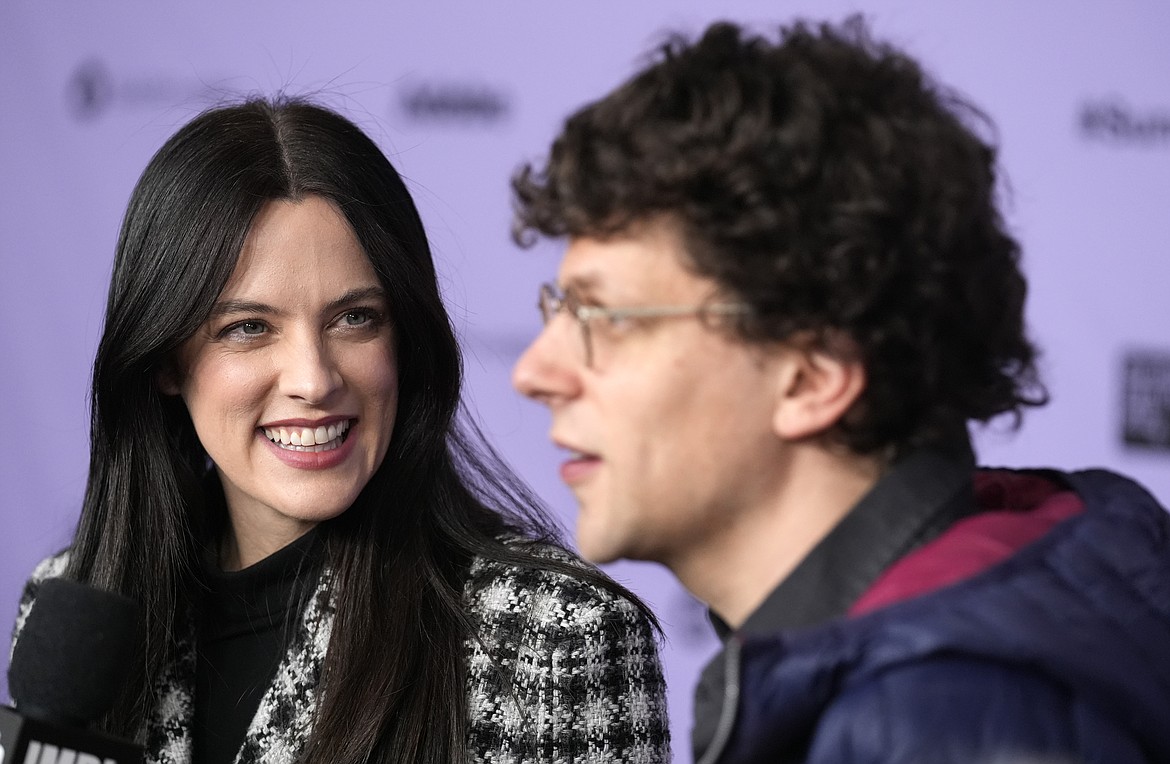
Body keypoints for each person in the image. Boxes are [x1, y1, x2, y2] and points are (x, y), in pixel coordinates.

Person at [510, 16, 1170, 764]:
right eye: (559, 311)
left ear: (811, 377)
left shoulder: (934, 722)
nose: (533, 372)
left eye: (606, 317)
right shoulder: (992, 618)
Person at [10, 98, 670, 764]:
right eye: (248, 328)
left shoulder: (555, 638)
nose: (314, 379)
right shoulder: (74, 606)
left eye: (354, 319)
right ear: (165, 361)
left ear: (406, 339)